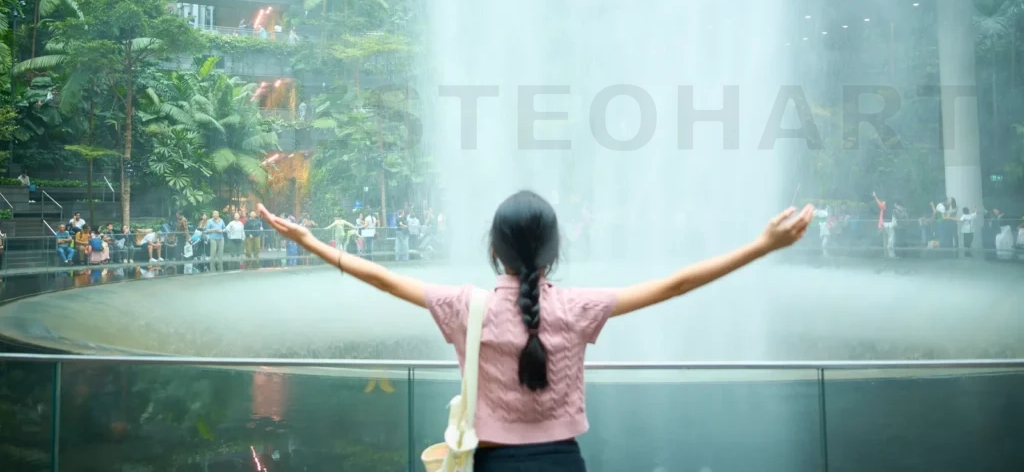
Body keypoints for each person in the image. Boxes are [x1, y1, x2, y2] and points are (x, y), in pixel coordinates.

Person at [258, 192, 812, 471]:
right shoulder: (577, 308)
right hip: (563, 462)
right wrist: (762, 246)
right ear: (554, 250)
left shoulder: (462, 306)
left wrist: (310, 243)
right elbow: (675, 285)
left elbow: (381, 279)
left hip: (491, 463)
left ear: (493, 250)